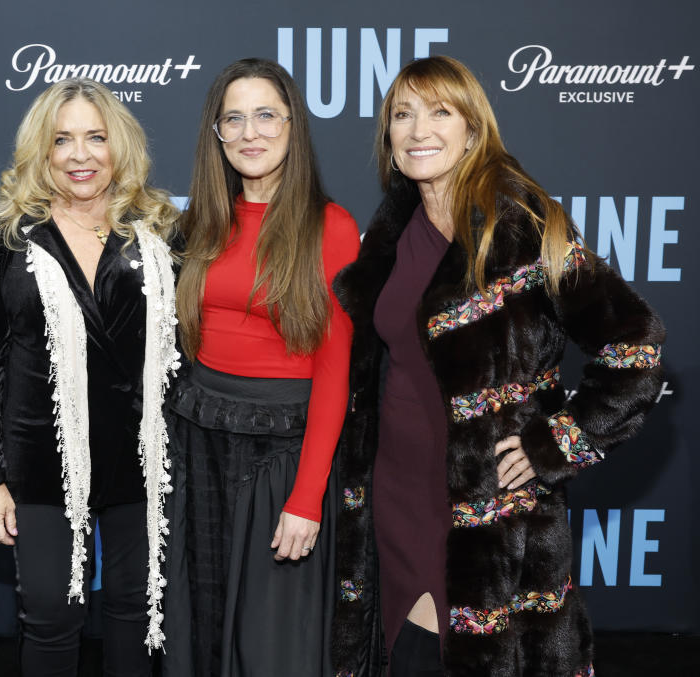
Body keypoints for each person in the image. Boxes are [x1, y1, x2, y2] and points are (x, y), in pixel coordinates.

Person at [330, 55, 665, 677]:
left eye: (439, 111)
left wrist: (558, 441)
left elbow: (635, 346)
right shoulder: (391, 231)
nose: (417, 129)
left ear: (473, 130)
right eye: (401, 114)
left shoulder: (523, 227)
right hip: (391, 500)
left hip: (484, 516)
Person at [0, 78, 179, 677]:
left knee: (136, 608)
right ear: (41, 152)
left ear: (119, 145)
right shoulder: (3, 238)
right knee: (51, 613)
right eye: (63, 140)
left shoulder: (157, 233)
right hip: (39, 460)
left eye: (95, 138)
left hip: (141, 459)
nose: (80, 155)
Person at [163, 58, 360, 677]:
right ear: (216, 134)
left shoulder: (331, 226)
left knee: (273, 645)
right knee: (200, 623)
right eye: (234, 118)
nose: (251, 132)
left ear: (293, 124)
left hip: (281, 455)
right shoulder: (196, 222)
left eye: (266, 115)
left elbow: (334, 371)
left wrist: (306, 497)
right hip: (198, 442)